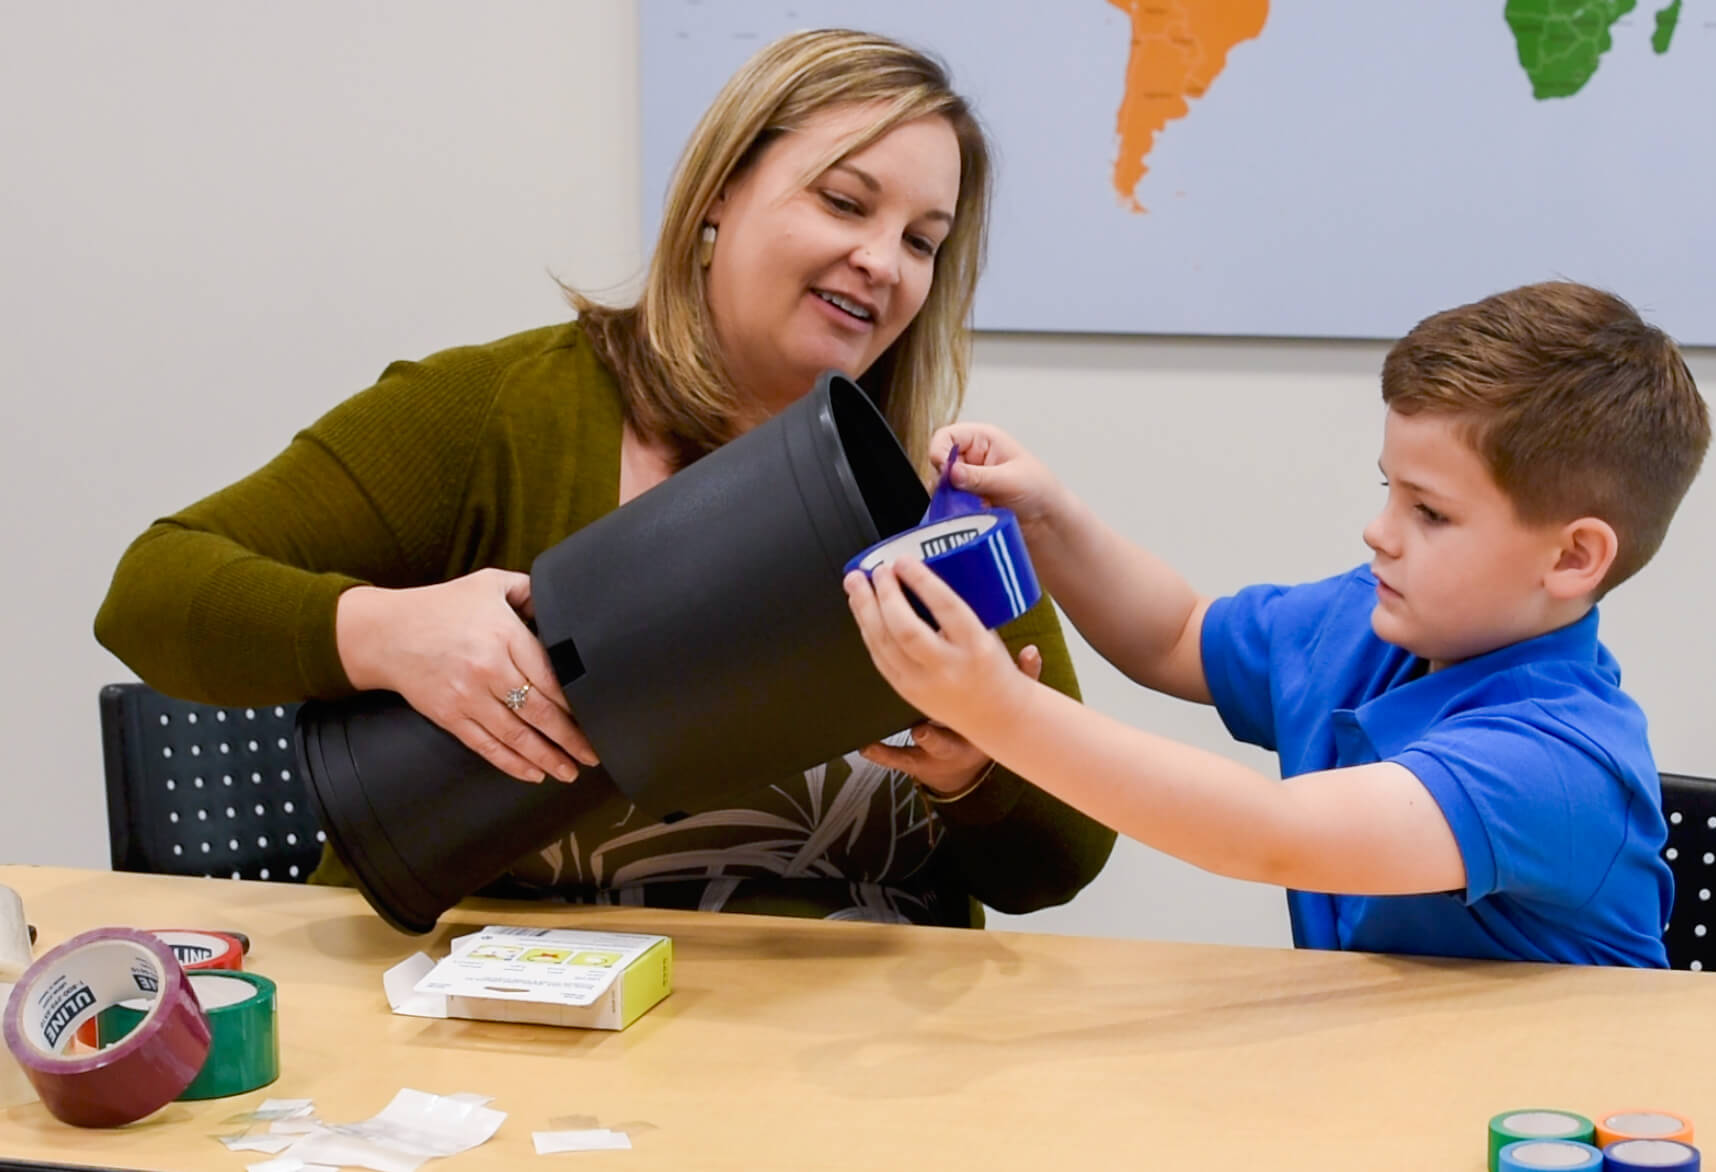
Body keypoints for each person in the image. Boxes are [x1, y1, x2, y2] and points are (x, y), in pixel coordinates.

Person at [94, 29, 1114, 927]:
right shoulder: (499, 412)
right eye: (844, 201)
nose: (881, 261)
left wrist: (974, 767)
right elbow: (151, 590)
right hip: (500, 1028)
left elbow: (1060, 859)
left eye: (921, 241)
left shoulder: (934, 510)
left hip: (848, 1056)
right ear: (720, 188)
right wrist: (384, 633)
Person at [847, 281, 1712, 964]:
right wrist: (1051, 519)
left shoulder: (1558, 766)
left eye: (1431, 513)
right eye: (1389, 491)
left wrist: (1005, 712)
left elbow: (1276, 837)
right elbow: (1176, 635)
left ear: (1571, 559)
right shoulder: (1371, 622)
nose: (1381, 531)